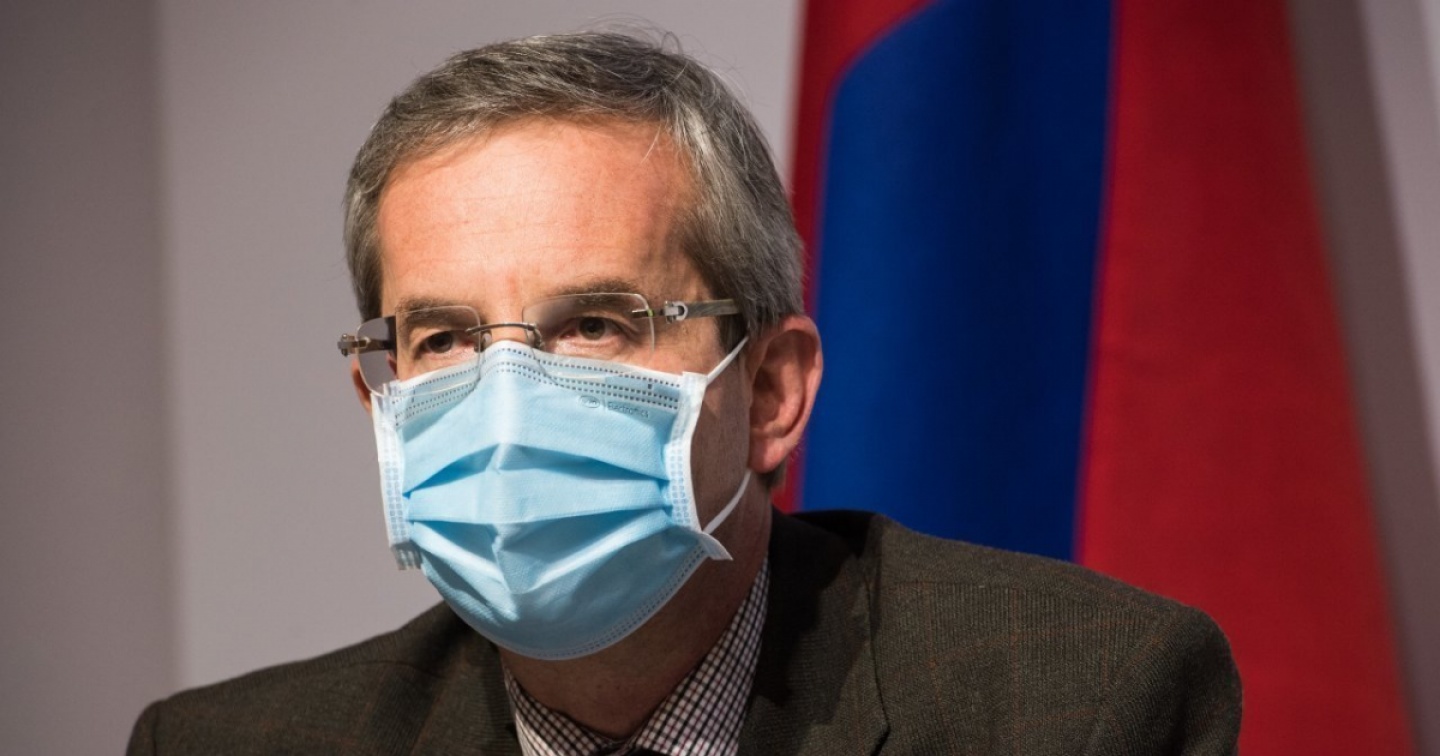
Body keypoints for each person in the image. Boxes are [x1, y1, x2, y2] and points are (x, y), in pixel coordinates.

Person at [128, 31, 1241, 755]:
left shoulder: (1080, 706)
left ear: (771, 393)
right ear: (383, 404)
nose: (505, 403)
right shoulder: (228, 746)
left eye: (596, 323)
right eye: (446, 338)